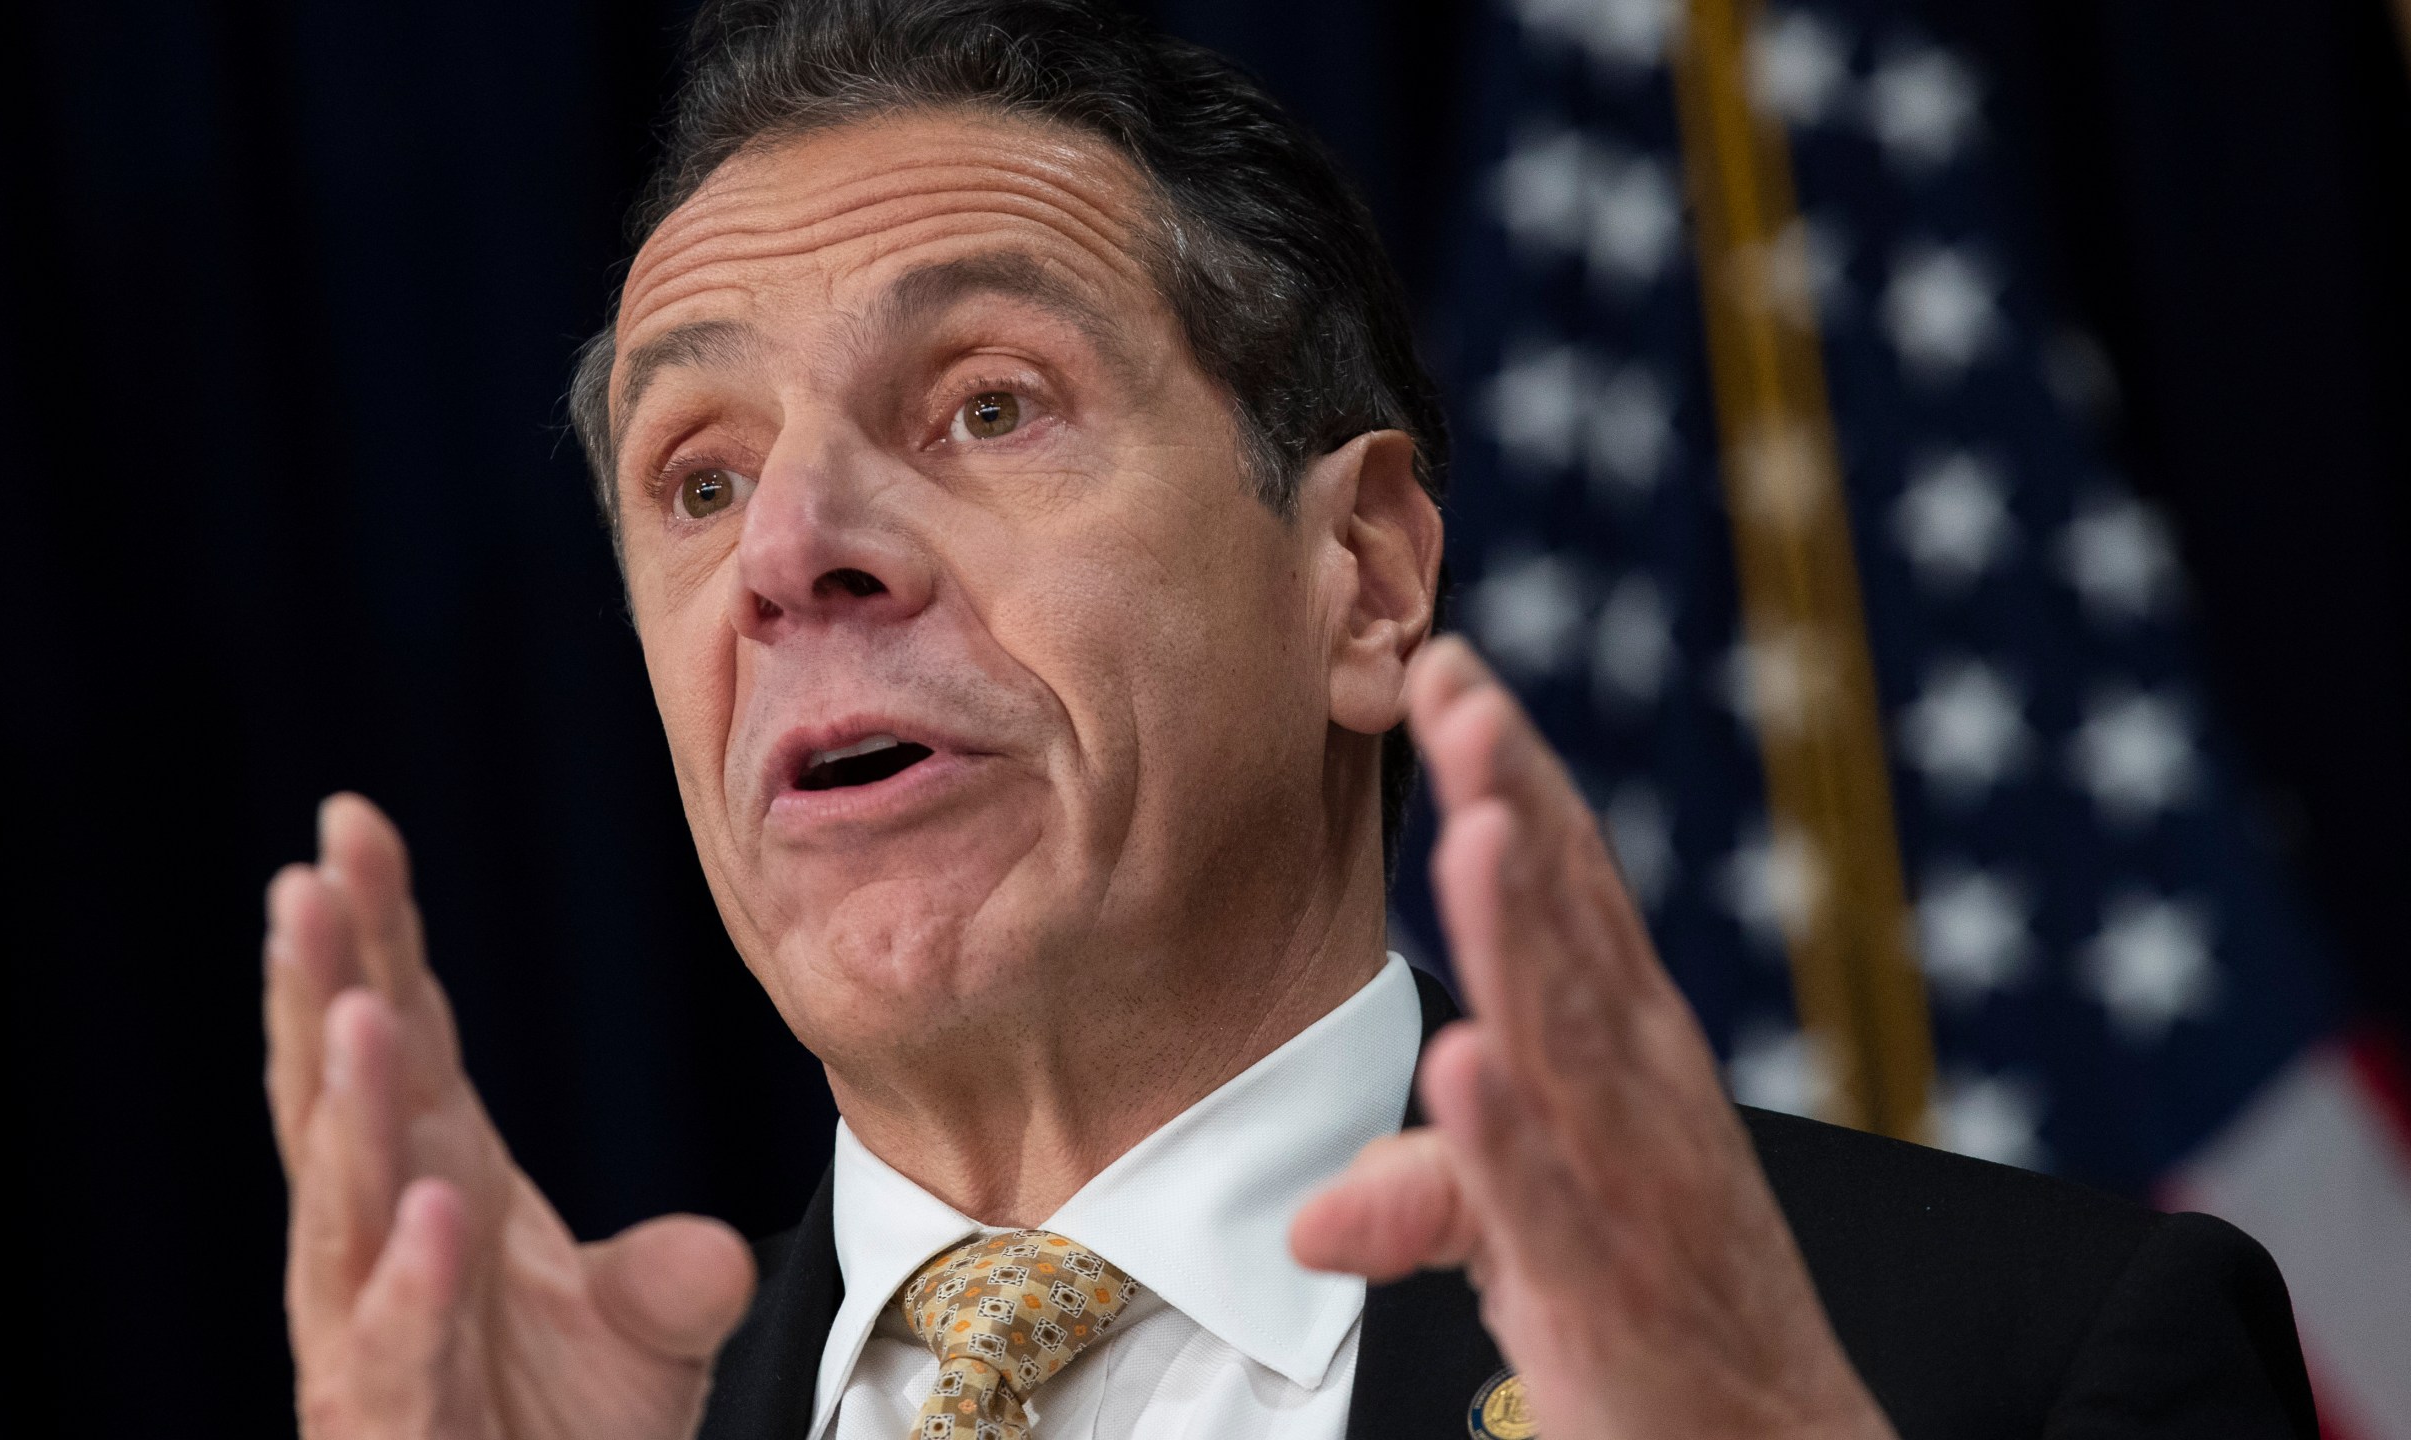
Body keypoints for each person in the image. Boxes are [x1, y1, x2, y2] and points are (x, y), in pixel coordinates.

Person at [256, 2, 2318, 1437]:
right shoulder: (575, 1427)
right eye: (696, 476)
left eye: (985, 406)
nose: (794, 550)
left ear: (1366, 575)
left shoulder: (1981, 1366)